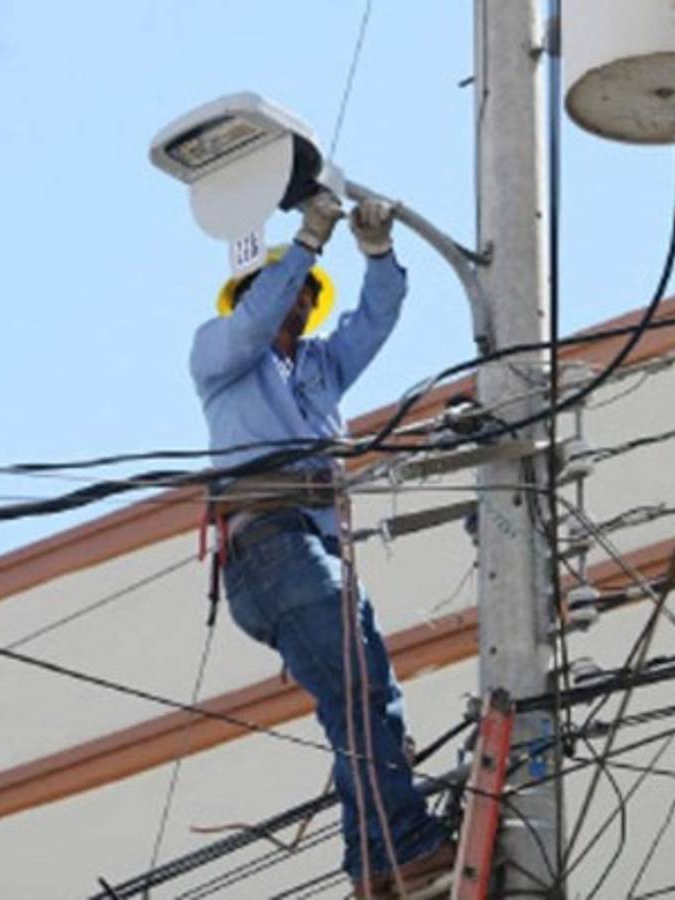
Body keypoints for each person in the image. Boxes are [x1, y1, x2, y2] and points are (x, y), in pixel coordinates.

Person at [189, 192, 455, 897]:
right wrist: (306, 238)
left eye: (309, 294)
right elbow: (248, 332)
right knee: (358, 693)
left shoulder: (318, 369)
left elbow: (377, 318)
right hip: (270, 546)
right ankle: (403, 846)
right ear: (255, 294)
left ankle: (379, 862)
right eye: (292, 289)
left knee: (368, 700)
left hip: (315, 552)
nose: (302, 304)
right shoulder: (219, 354)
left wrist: (377, 254)